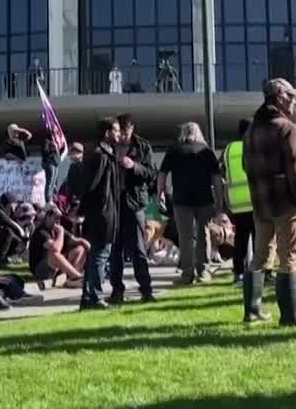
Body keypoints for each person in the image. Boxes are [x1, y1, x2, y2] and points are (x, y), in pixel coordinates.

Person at [244, 79, 296, 328]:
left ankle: (252, 310)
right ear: (279, 96)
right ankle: (291, 315)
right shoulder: (286, 128)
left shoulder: (250, 130)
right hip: (286, 202)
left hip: (261, 203)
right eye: (290, 95)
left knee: (260, 256)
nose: (294, 100)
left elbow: (247, 167)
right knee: (290, 256)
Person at [158, 122, 224, 285]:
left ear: (183, 133)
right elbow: (216, 178)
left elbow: (162, 174)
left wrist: (160, 193)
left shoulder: (174, 150)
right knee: (204, 235)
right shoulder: (206, 151)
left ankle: (187, 273)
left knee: (185, 237)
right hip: (204, 199)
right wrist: (220, 201)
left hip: (181, 200)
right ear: (198, 133)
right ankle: (204, 271)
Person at [109, 113, 157, 304]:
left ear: (132, 129)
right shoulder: (109, 146)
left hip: (134, 202)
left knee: (138, 248)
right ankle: (116, 290)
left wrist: (134, 166)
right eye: (120, 131)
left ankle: (146, 289)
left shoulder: (142, 147)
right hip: (113, 202)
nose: (122, 135)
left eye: (126, 130)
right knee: (115, 249)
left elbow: (151, 173)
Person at [78, 118, 123, 310]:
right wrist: (83, 208)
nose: (119, 134)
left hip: (105, 211)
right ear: (107, 133)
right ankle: (94, 297)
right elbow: (91, 185)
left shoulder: (105, 153)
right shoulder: (99, 155)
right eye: (116, 131)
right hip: (102, 213)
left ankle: (89, 297)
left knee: (98, 255)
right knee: (100, 255)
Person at [223, 119, 255, 285]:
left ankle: (238, 273)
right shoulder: (253, 146)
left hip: (237, 203)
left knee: (240, 240)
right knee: (260, 240)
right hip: (255, 199)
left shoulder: (229, 149)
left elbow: (224, 174)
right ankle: (262, 272)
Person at [28, 205, 87, 290]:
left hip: (54, 266)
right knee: (54, 253)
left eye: (59, 218)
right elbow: (56, 249)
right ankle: (77, 277)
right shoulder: (41, 231)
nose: (58, 221)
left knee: (80, 249)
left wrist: (86, 244)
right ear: (48, 216)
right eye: (56, 217)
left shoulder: (56, 229)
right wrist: (61, 233)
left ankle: (72, 280)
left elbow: (74, 240)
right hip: (40, 269)